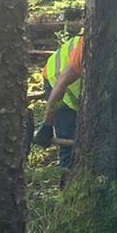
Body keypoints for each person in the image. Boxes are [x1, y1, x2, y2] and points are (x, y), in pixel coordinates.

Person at [33, 34, 84, 185]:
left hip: (76, 95)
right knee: (69, 141)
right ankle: (66, 190)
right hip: (56, 82)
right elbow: (60, 85)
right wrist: (47, 125)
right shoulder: (85, 51)